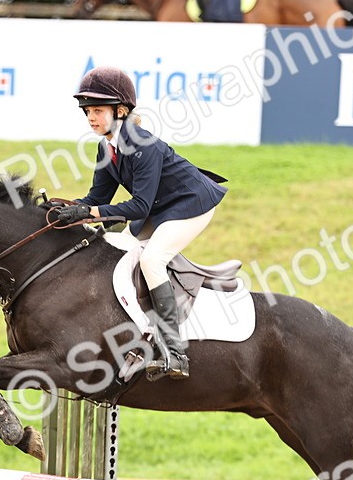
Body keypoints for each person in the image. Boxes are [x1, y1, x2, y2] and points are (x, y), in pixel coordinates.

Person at [51, 67, 227, 381]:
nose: (91, 118)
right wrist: (66, 209)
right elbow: (97, 197)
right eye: (87, 111)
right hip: (160, 207)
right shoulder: (106, 146)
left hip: (192, 204)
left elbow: (138, 207)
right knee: (117, 246)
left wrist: (89, 213)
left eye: (98, 111)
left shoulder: (143, 145)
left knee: (151, 260)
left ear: (120, 111)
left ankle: (175, 352)